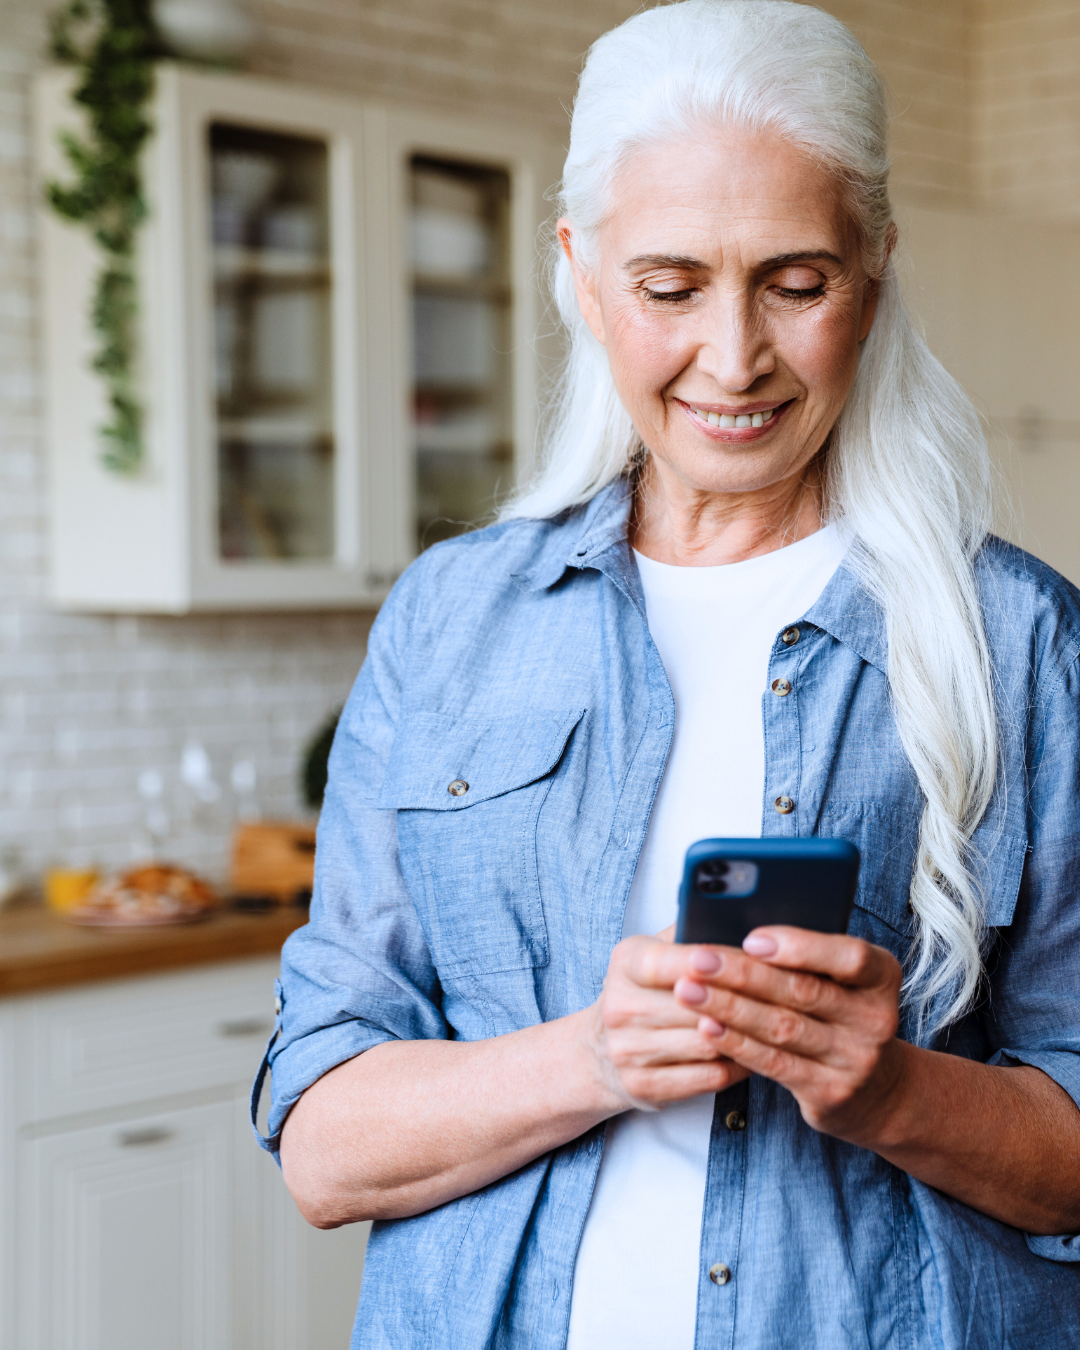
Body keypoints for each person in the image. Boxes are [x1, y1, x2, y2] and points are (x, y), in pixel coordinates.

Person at [252, 3, 1080, 1345]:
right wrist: (590, 1056)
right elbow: (324, 1149)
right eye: (670, 284)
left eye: (796, 281)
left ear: (875, 263)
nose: (735, 356)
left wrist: (888, 1090)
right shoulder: (450, 622)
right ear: (582, 271)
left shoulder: (1021, 640)